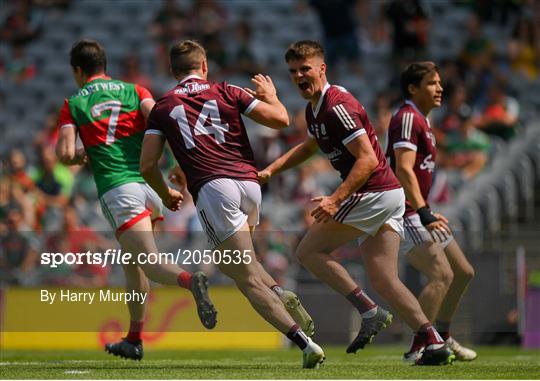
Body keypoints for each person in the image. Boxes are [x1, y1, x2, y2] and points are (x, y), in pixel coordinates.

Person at [259, 40, 454, 365]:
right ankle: (433, 340)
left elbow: (365, 160)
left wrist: (336, 199)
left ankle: (369, 311)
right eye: (293, 71)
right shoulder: (315, 109)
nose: (298, 76)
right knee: (384, 279)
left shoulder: (337, 105)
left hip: (373, 191)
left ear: (322, 68)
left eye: (305, 69)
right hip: (388, 195)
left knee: (307, 251)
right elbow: (309, 148)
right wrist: (270, 169)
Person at [140, 40, 324, 369]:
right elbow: (281, 120)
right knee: (238, 264)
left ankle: (304, 343)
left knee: (245, 276)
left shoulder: (163, 106)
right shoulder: (227, 90)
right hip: (250, 185)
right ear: (204, 67)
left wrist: (166, 194)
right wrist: (271, 95)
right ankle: (281, 292)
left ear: (172, 71)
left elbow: (147, 165)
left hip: (215, 190)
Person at [55, 39, 217, 361]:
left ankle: (190, 280)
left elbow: (63, 154)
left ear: (77, 70)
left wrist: (80, 156)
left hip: (119, 188)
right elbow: (164, 122)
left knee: (148, 262)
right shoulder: (136, 90)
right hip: (149, 185)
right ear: (104, 64)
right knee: (133, 266)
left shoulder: (73, 103)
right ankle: (133, 339)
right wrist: (176, 167)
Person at [385, 61, 477, 362]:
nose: (440, 88)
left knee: (463, 273)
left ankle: (443, 337)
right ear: (413, 89)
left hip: (423, 210)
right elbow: (404, 169)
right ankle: (420, 346)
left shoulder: (424, 121)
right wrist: (424, 211)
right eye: (432, 83)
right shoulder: (407, 118)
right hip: (408, 213)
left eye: (440, 83)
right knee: (441, 274)